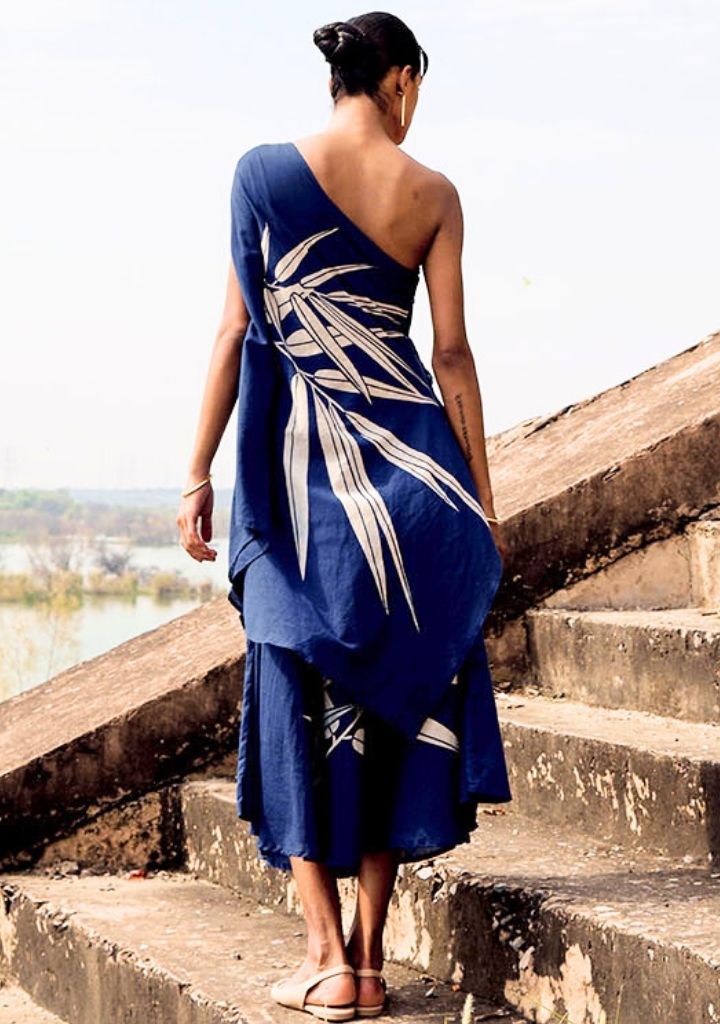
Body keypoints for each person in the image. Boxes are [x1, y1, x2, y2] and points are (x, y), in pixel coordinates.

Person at [177, 11, 512, 1021]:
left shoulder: (260, 173)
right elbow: (451, 356)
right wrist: (482, 502)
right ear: (401, 80)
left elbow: (234, 332)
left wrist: (196, 473)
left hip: (295, 493)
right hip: (413, 490)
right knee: (392, 705)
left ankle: (325, 957)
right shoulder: (433, 195)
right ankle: (366, 961)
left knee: (293, 701)